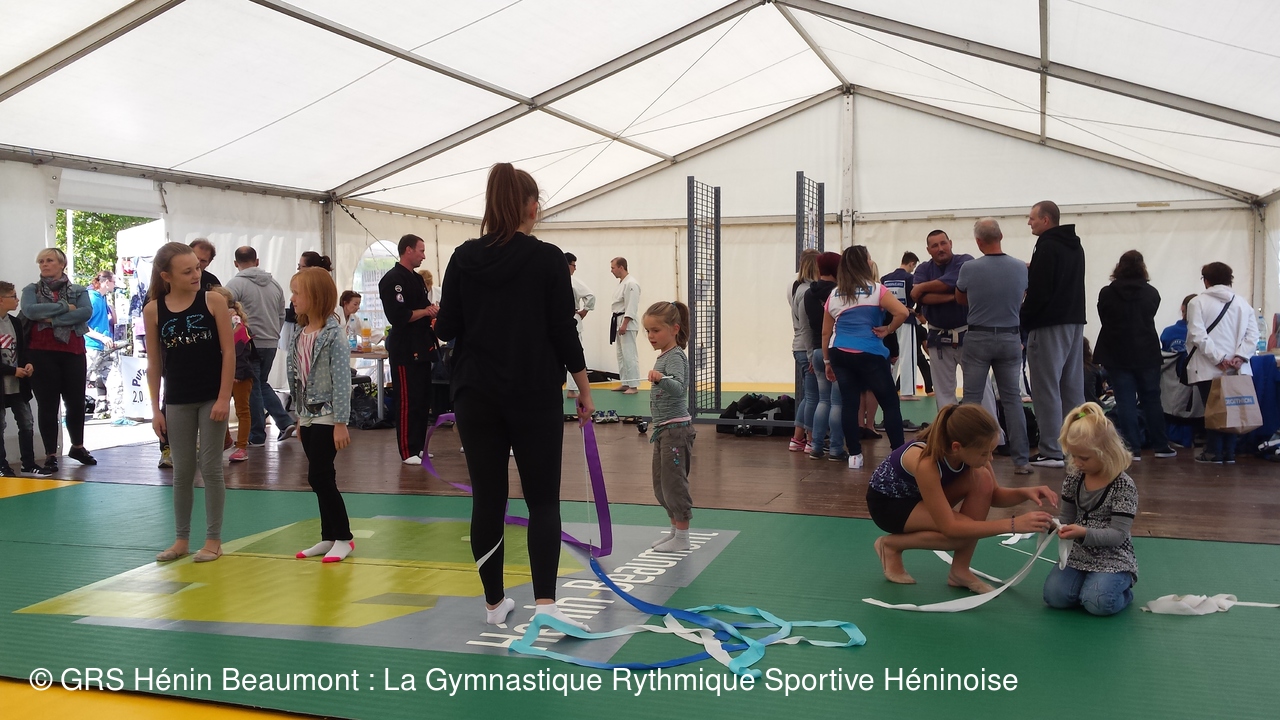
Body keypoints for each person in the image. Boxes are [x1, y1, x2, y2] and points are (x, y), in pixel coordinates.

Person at [434, 162, 595, 630]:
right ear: (532, 207)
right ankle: (546, 605)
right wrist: (584, 387)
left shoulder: (463, 256)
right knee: (542, 499)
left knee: (488, 498)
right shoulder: (547, 258)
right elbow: (563, 330)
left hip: (475, 393)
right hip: (533, 390)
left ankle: (493, 604)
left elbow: (446, 328)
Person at [867, 404, 1058, 593]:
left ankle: (959, 571)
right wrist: (1013, 525)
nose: (990, 458)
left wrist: (1026, 493)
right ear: (957, 447)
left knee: (982, 478)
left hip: (920, 497)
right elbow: (949, 527)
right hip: (889, 506)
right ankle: (890, 545)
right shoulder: (925, 462)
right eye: (985, 453)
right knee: (959, 536)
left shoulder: (969, 451)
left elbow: (994, 496)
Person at [145, 242, 234, 564]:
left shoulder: (212, 301)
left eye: (197, 267)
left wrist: (223, 397)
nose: (197, 274)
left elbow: (229, 352)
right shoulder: (154, 310)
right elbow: (154, 363)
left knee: (210, 467)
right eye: (188, 271)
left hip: (211, 397)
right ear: (167, 276)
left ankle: (213, 540)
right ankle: (181, 539)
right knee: (182, 470)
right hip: (177, 399)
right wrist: (155, 410)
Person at [1043, 402, 1139, 616]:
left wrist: (1083, 533)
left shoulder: (1123, 486)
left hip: (1113, 558)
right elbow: (1066, 519)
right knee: (1054, 597)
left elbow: (1118, 534)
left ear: (1106, 452)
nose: (1077, 463)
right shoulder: (1073, 480)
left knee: (1098, 603)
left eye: (1084, 458)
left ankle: (1122, 592)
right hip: (1078, 555)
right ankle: (1089, 587)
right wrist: (1051, 524)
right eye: (1073, 456)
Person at [954, 218, 1033, 474]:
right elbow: (1023, 296)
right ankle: (1021, 460)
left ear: (978, 242)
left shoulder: (969, 268)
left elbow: (960, 298)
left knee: (971, 401)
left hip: (978, 336)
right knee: (1012, 400)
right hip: (1010, 337)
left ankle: (968, 459)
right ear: (1001, 236)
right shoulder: (1020, 267)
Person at [287, 267, 355, 563]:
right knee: (321, 476)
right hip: (307, 415)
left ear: (314, 296)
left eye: (297, 293)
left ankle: (344, 537)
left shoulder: (333, 335)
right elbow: (297, 378)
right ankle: (329, 535)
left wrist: (341, 422)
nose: (292, 299)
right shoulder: (300, 334)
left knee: (320, 476)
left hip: (328, 415)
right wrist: (299, 418)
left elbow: (342, 380)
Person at [822, 246, 909, 469]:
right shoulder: (877, 290)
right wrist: (888, 329)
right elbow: (903, 312)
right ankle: (898, 455)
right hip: (870, 353)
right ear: (865, 263)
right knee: (889, 403)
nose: (871, 261)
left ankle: (854, 455)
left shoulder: (835, 293)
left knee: (849, 404)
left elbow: (825, 332)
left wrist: (827, 362)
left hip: (840, 352)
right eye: (869, 258)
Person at [1022, 201, 1087, 468]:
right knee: (1072, 389)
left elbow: (1040, 290)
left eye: (1032, 218)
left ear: (1046, 220)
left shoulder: (1046, 245)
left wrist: (1023, 318)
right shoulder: (1075, 245)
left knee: (1046, 387)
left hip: (1048, 323)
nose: (1029, 222)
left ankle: (1050, 450)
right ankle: (1079, 446)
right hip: (1074, 321)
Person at [1094, 250, 1175, 461]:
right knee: (1152, 399)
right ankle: (1161, 445)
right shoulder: (1151, 293)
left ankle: (1132, 448)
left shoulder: (1107, 293)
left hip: (1117, 352)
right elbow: (1150, 314)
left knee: (1125, 400)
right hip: (1146, 351)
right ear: (1142, 267)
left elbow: (1104, 318)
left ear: (1119, 267)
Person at [20, 248, 95, 471]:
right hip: (41, 352)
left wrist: (52, 320)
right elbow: (30, 311)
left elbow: (84, 313)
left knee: (76, 402)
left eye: (49, 260)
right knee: (48, 404)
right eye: (41, 261)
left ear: (62, 264)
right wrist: (64, 307)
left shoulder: (78, 290)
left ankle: (78, 447)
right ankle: (51, 454)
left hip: (73, 351)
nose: (44, 264)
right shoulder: (31, 290)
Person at [1186, 262, 1258, 464]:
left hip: (1207, 367)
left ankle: (1213, 452)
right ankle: (1229, 453)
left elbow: (1197, 335)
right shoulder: (1243, 303)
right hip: (1237, 369)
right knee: (1234, 409)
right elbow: (1253, 335)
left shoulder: (1197, 303)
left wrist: (1218, 358)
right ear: (1229, 280)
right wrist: (1240, 357)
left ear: (1206, 280)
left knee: (1213, 410)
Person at [226, 246, 294, 445]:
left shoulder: (235, 284)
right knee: (260, 383)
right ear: (257, 261)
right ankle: (284, 422)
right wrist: (273, 333)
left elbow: (225, 311)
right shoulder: (274, 284)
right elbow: (282, 314)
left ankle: (257, 434)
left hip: (248, 343)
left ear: (235, 263)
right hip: (271, 341)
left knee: (253, 387)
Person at [378, 234, 437, 465]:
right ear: (408, 250)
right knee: (407, 399)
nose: (424, 256)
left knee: (422, 398)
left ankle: (418, 446)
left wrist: (431, 311)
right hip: (404, 347)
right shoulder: (393, 279)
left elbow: (423, 307)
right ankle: (407, 450)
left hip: (422, 344)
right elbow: (398, 315)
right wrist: (425, 312)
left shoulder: (417, 279)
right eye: (421, 250)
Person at [643, 301, 695, 552]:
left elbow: (679, 388)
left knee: (674, 484)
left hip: (676, 431)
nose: (651, 336)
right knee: (661, 484)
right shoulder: (664, 356)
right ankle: (674, 531)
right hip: (663, 430)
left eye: (656, 330)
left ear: (674, 329)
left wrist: (661, 378)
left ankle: (682, 537)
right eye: (648, 331)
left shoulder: (675, 357)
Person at [911, 230, 974, 409]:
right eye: (934, 246)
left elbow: (923, 290)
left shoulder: (965, 262)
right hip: (937, 337)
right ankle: (947, 427)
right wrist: (956, 295)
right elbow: (919, 298)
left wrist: (923, 287)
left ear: (950, 243)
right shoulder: (923, 269)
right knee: (944, 394)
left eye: (943, 243)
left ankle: (987, 426)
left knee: (979, 389)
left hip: (967, 335)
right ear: (928, 250)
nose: (940, 248)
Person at [805, 252, 847, 461]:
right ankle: (837, 449)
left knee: (823, 400)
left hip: (816, 349)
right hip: (835, 348)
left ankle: (816, 446)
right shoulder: (840, 293)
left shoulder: (808, 293)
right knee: (837, 402)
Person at [0, 281, 41, 477]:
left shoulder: (15, 322)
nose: (17, 300)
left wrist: (28, 363)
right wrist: (11, 370)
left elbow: (22, 350)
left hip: (18, 384)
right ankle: (2, 465)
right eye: (13, 296)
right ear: (1, 300)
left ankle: (28, 463)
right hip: (4, 382)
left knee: (26, 422)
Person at [211, 287, 255, 463]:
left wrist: (237, 372)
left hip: (239, 374)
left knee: (242, 409)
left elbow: (240, 350)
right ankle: (226, 440)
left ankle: (242, 446)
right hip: (223, 373)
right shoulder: (216, 320)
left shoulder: (235, 323)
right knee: (217, 407)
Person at [789, 249, 820, 452]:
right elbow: (808, 327)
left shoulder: (797, 288)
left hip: (800, 346)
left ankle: (798, 438)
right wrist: (811, 356)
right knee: (813, 397)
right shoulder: (807, 292)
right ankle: (810, 439)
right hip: (806, 348)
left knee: (808, 396)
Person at [881, 252, 921, 397]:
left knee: (891, 355)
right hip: (906, 319)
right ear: (911, 263)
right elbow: (917, 295)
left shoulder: (885, 279)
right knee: (907, 354)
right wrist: (916, 311)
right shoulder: (910, 278)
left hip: (888, 320)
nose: (913, 269)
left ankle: (887, 389)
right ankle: (907, 391)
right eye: (913, 266)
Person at [84, 270, 120, 418]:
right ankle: (70, 414)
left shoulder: (102, 298)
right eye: (113, 282)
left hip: (104, 347)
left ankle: (118, 414)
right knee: (81, 380)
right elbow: (82, 325)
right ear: (106, 282)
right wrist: (102, 337)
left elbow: (108, 322)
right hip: (91, 347)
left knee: (115, 379)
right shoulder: (92, 298)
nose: (115, 285)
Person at [565, 253, 595, 400]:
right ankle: (572, 389)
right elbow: (590, 296)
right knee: (574, 353)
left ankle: (570, 389)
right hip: (571, 319)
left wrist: (585, 310)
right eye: (574, 265)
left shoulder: (551, 278)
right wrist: (585, 310)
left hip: (559, 320)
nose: (575, 269)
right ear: (568, 265)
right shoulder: (573, 281)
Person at [609, 257, 641, 393]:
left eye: (613, 268)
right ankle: (625, 383)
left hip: (627, 323)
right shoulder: (622, 283)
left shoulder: (631, 283)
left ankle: (633, 385)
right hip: (618, 321)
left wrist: (625, 323)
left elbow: (631, 305)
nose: (611, 271)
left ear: (621, 267)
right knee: (621, 355)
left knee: (629, 354)